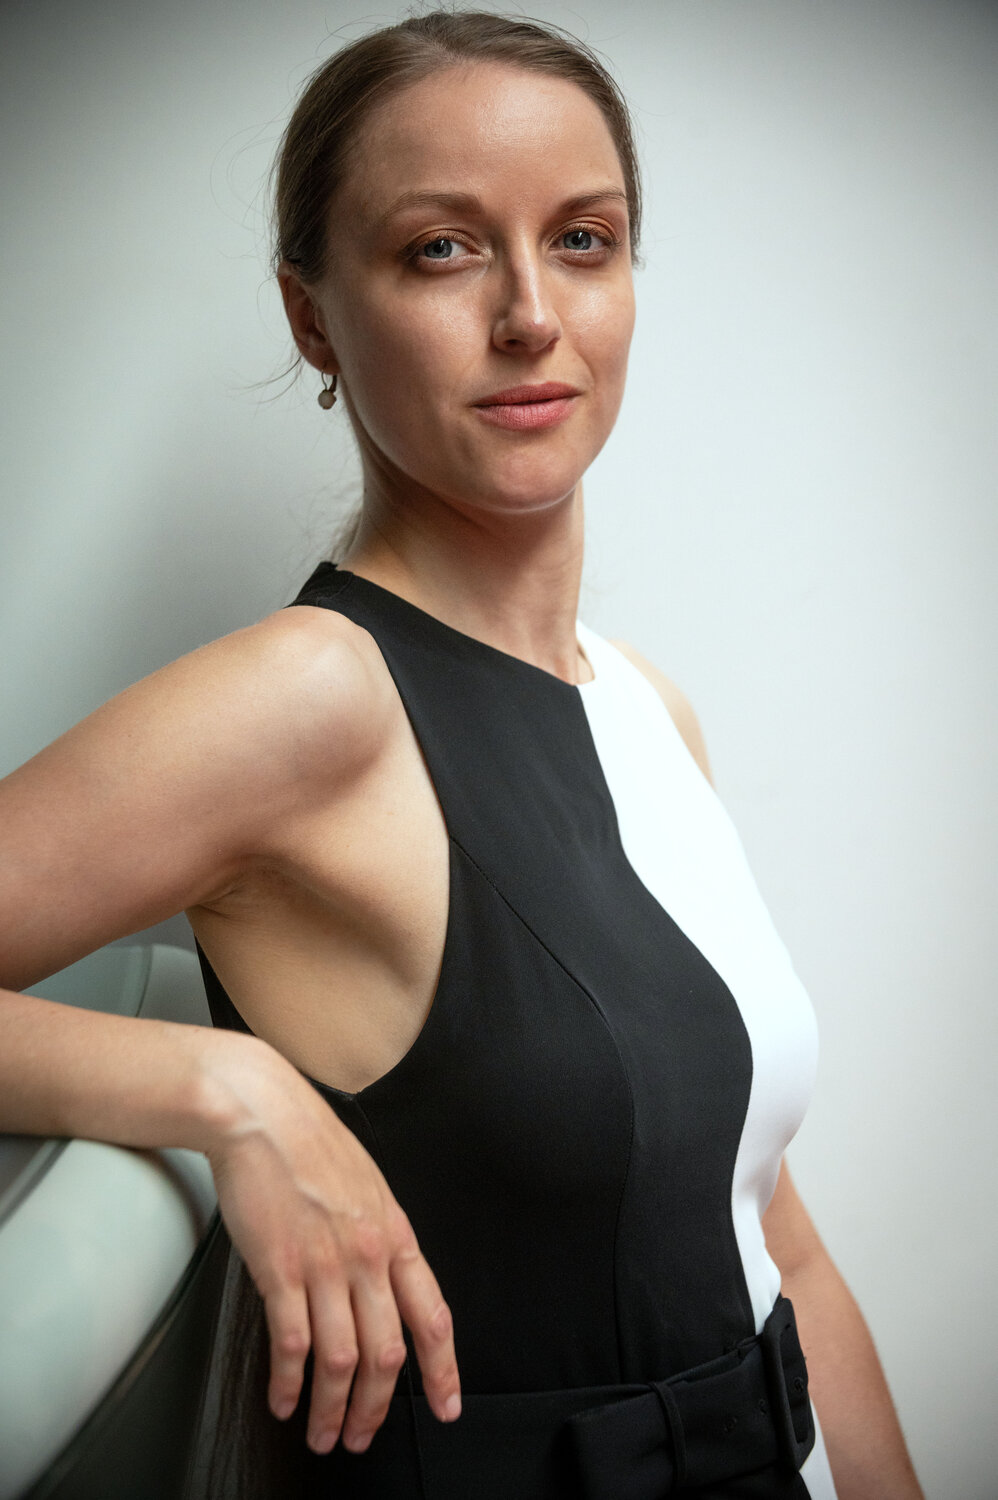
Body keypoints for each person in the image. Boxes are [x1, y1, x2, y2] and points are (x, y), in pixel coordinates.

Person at [0, 10, 924, 1498]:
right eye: (441, 249)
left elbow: (780, 1244)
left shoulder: (648, 705)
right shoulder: (312, 699)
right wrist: (226, 1093)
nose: (530, 315)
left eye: (582, 240)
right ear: (313, 319)